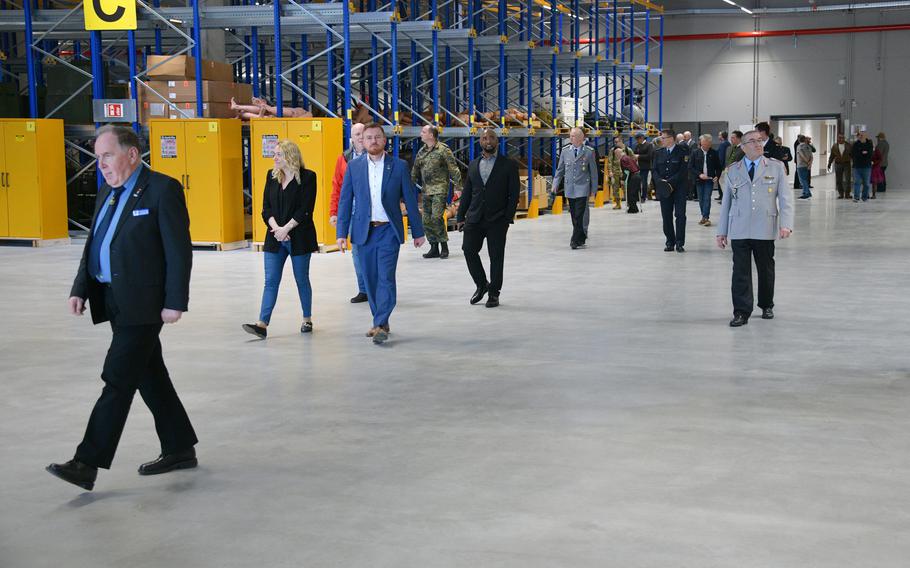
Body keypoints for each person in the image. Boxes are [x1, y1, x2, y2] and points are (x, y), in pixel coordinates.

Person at [47, 125, 197, 491]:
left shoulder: (162, 190)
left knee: (117, 379)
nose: (101, 164)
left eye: (107, 155)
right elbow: (95, 244)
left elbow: (179, 252)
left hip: (144, 305)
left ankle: (87, 462)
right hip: (113, 300)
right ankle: (179, 446)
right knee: (149, 374)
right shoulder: (107, 193)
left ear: (132, 154)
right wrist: (81, 287)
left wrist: (175, 301)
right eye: (98, 157)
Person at [335, 123, 426, 344]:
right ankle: (380, 322)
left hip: (388, 230)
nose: (373, 141)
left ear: (385, 141)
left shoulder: (399, 166)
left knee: (385, 277)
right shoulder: (354, 167)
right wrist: (341, 233)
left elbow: (410, 199)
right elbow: (345, 200)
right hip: (363, 231)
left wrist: (418, 231)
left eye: (377, 137)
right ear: (362, 142)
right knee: (371, 279)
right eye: (368, 138)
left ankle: (381, 321)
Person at [716, 130, 794, 327]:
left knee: (766, 269)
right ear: (742, 147)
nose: (758, 144)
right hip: (740, 227)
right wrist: (722, 231)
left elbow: (785, 199)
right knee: (740, 272)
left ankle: (766, 304)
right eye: (752, 141)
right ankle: (741, 311)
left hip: (764, 226)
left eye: (760, 140)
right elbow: (726, 202)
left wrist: (786, 224)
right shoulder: (733, 170)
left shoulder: (775, 168)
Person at [242, 140, 318, 339]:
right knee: (270, 281)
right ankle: (262, 324)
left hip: (299, 236)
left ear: (290, 156)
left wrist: (286, 228)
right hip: (275, 236)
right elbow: (265, 208)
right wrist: (277, 229)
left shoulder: (308, 177)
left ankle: (307, 319)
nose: (274, 158)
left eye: (278, 154)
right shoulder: (271, 176)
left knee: (301, 279)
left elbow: (306, 209)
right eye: (274, 154)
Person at [456, 128, 520, 308]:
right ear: (480, 142)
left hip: (497, 219)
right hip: (475, 217)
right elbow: (468, 192)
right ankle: (482, 284)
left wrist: (507, 217)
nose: (488, 140)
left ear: (497, 141)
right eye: (484, 138)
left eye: (491, 137)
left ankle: (494, 293)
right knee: (468, 249)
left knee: (496, 256)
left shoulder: (508, 165)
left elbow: (514, 194)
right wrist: (461, 215)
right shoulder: (474, 164)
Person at [330, 122, 369, 303]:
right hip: (353, 213)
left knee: (373, 251)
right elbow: (336, 187)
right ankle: (364, 290)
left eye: (362, 133)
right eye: (356, 134)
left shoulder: (376, 156)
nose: (360, 137)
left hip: (373, 212)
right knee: (357, 253)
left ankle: (375, 286)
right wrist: (334, 212)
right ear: (351, 138)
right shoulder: (344, 159)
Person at [411, 124, 462, 259]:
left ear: (431, 135)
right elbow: (415, 171)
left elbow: (453, 169)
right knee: (426, 220)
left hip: (440, 188)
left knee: (436, 217)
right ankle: (434, 247)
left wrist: (458, 187)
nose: (421, 133)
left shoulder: (443, 150)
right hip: (426, 190)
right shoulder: (421, 151)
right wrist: (407, 188)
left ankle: (444, 246)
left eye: (423, 132)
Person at [552, 128, 599, 248]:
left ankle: (574, 239)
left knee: (579, 213)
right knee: (574, 214)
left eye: (573, 136)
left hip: (583, 187)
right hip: (570, 187)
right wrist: (555, 184)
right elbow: (560, 170)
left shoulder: (589, 151)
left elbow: (593, 172)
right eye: (570, 136)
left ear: (580, 138)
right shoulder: (565, 151)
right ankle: (581, 236)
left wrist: (594, 189)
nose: (570, 138)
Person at [652, 128, 689, 253]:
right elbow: (654, 170)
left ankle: (679, 242)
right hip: (664, 190)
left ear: (671, 138)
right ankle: (670, 241)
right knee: (666, 216)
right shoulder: (658, 152)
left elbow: (683, 171)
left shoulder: (683, 151)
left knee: (680, 215)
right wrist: (660, 182)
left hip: (679, 189)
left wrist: (670, 182)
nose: (661, 140)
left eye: (663, 138)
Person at [690, 134, 721, 227]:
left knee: (707, 198)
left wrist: (717, 176)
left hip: (709, 180)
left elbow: (718, 167)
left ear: (710, 144)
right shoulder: (695, 153)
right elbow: (690, 167)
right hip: (699, 180)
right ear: (701, 143)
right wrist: (699, 174)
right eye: (704, 144)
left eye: (708, 144)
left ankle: (706, 217)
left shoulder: (714, 153)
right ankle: (704, 216)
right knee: (701, 199)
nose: (706, 146)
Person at [607, 136, 634, 210]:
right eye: (614, 142)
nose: (615, 143)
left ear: (621, 141)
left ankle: (629, 202)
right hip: (615, 172)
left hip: (625, 172)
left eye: (617, 142)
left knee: (626, 188)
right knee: (615, 189)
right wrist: (610, 172)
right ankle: (618, 204)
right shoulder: (612, 150)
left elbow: (633, 160)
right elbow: (610, 162)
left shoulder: (628, 150)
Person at [616, 147, 643, 214]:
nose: (616, 156)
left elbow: (626, 170)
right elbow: (636, 166)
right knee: (633, 193)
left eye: (616, 154)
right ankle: (632, 207)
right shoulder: (628, 157)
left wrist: (622, 179)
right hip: (637, 175)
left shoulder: (623, 159)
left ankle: (634, 209)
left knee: (630, 193)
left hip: (633, 176)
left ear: (618, 153)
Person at [826, 133, 852, 199]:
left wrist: (855, 163)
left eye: (842, 138)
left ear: (844, 138)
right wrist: (829, 163)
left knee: (848, 179)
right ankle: (841, 194)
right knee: (838, 180)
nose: (841, 139)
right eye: (839, 138)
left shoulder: (848, 145)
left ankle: (847, 194)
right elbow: (832, 156)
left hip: (847, 164)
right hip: (838, 164)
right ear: (837, 138)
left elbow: (852, 155)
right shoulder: (834, 146)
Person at [851, 130, 874, 202]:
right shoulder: (855, 144)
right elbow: (854, 154)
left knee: (866, 184)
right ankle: (856, 197)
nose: (860, 136)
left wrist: (861, 153)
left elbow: (870, 154)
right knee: (857, 182)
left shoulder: (869, 144)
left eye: (862, 135)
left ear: (865, 136)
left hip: (867, 167)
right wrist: (863, 152)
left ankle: (864, 197)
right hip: (856, 167)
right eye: (860, 135)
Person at [633, 132, 655, 201]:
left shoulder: (649, 145)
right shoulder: (637, 145)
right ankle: (638, 196)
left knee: (644, 182)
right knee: (638, 182)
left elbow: (649, 156)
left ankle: (643, 197)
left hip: (646, 167)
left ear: (642, 138)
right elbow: (634, 153)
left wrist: (639, 156)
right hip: (638, 167)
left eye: (638, 139)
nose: (637, 140)